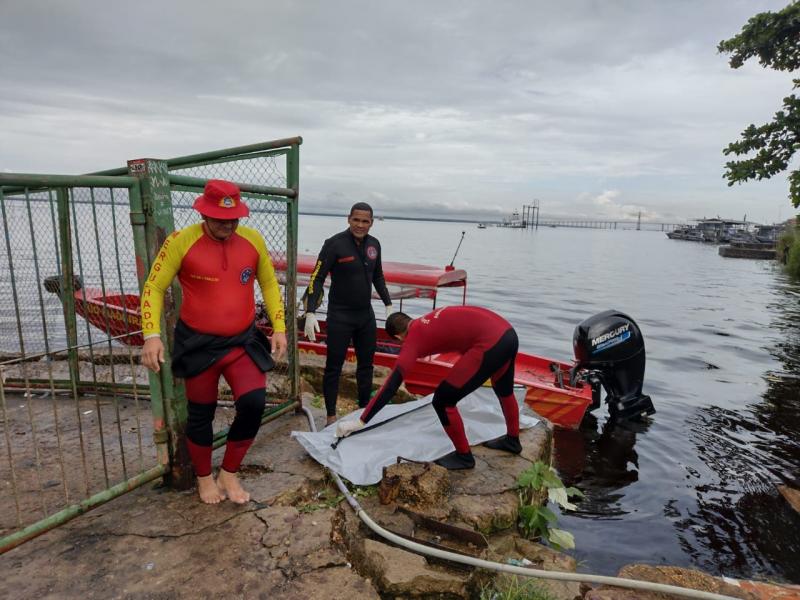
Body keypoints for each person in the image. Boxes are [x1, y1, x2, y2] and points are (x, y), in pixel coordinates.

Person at [140, 179, 287, 505]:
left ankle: (229, 473)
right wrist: (151, 335)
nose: (228, 225)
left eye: (234, 218)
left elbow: (269, 283)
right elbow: (154, 287)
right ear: (204, 214)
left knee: (253, 404)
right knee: (200, 414)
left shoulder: (252, 240)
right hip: (199, 344)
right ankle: (205, 479)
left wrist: (280, 327)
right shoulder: (181, 241)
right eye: (221, 219)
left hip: (242, 341)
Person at [335, 306, 522, 470]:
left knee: (443, 400)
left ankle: (464, 456)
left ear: (399, 337)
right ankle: (512, 441)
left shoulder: (413, 339)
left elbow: (391, 385)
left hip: (491, 342)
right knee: (504, 390)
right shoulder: (428, 319)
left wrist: (361, 421)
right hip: (507, 333)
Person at [301, 202, 393, 426]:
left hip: (365, 316)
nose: (360, 225)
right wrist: (311, 311)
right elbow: (317, 277)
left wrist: (389, 306)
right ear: (348, 219)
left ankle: (363, 413)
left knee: (366, 366)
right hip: (340, 316)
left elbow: (377, 276)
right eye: (356, 220)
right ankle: (331, 415)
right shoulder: (334, 244)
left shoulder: (374, 245)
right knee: (334, 366)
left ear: (371, 222)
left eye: (365, 221)